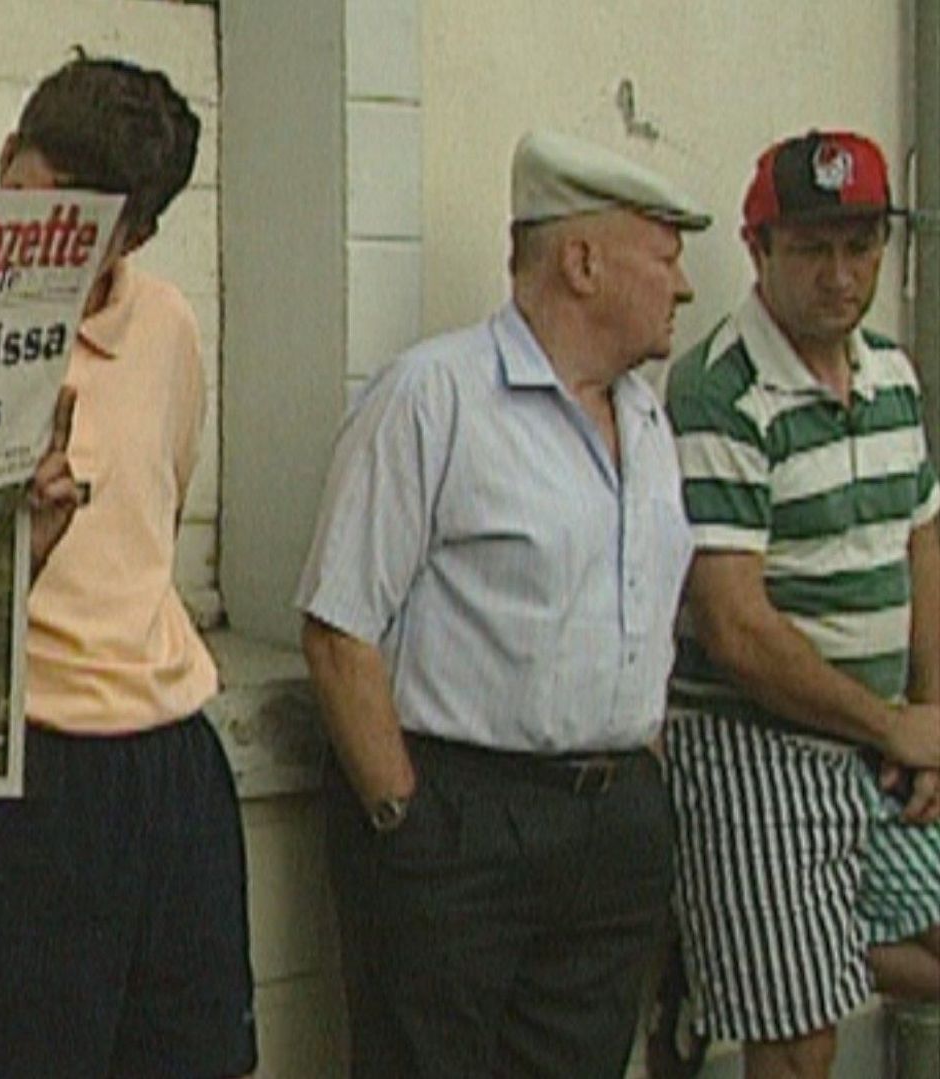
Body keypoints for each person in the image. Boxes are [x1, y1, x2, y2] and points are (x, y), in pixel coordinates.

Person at [295, 129, 709, 1079]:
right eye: (667, 252)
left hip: (609, 828)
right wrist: (405, 823)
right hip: (462, 821)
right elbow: (337, 630)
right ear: (582, 260)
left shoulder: (647, 420)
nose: (684, 285)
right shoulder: (434, 398)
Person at [0, 54, 257, 1079]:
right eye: (33, 212)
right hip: (13, 759)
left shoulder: (168, 327)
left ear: (137, 235)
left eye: (90, 239)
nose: (49, 255)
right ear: (7, 163)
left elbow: (156, 509)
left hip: (166, 756)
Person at [658, 129, 940, 1079]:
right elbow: (736, 628)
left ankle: (737, 958)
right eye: (813, 248)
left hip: (879, 734)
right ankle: (759, 959)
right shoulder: (718, 390)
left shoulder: (893, 373)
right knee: (799, 1044)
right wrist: (892, 722)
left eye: (861, 246)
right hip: (753, 741)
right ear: (758, 248)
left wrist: (929, 713)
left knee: (868, 959)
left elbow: (923, 541)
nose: (841, 274)